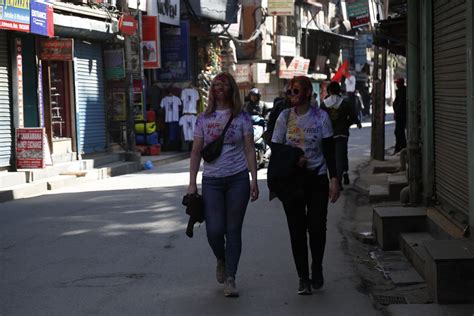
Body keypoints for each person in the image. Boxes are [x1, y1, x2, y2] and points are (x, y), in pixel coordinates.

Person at [187, 72, 259, 298]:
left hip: (238, 179)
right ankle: (221, 258)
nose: (219, 87)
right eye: (216, 84)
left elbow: (249, 149)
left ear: (232, 89)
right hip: (212, 181)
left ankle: (231, 278)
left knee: (233, 229)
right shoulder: (203, 118)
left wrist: (254, 179)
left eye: (224, 84)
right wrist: (192, 184)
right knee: (214, 231)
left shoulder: (242, 117)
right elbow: (196, 151)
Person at [269, 76, 340, 295]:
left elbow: (329, 149)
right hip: (292, 181)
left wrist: (334, 178)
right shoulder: (284, 117)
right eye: (289, 91)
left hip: (317, 178)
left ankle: (316, 267)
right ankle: (303, 278)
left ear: (309, 93)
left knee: (317, 227)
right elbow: (276, 147)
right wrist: (294, 156)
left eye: (296, 91)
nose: (291, 95)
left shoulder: (321, 117)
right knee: (297, 230)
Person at [321, 81, 361, 187]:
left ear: (329, 91)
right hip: (342, 134)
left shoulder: (324, 104)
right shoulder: (344, 103)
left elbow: (318, 120)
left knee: (331, 157)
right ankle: (342, 176)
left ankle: (337, 179)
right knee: (342, 155)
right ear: (339, 91)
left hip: (328, 135)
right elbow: (352, 115)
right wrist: (355, 123)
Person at [393, 78, 407, 154]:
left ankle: (401, 147)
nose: (396, 85)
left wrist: (396, 113)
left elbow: (400, 104)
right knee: (398, 131)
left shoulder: (402, 92)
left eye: (397, 83)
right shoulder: (400, 91)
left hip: (401, 115)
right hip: (399, 115)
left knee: (399, 131)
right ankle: (400, 147)